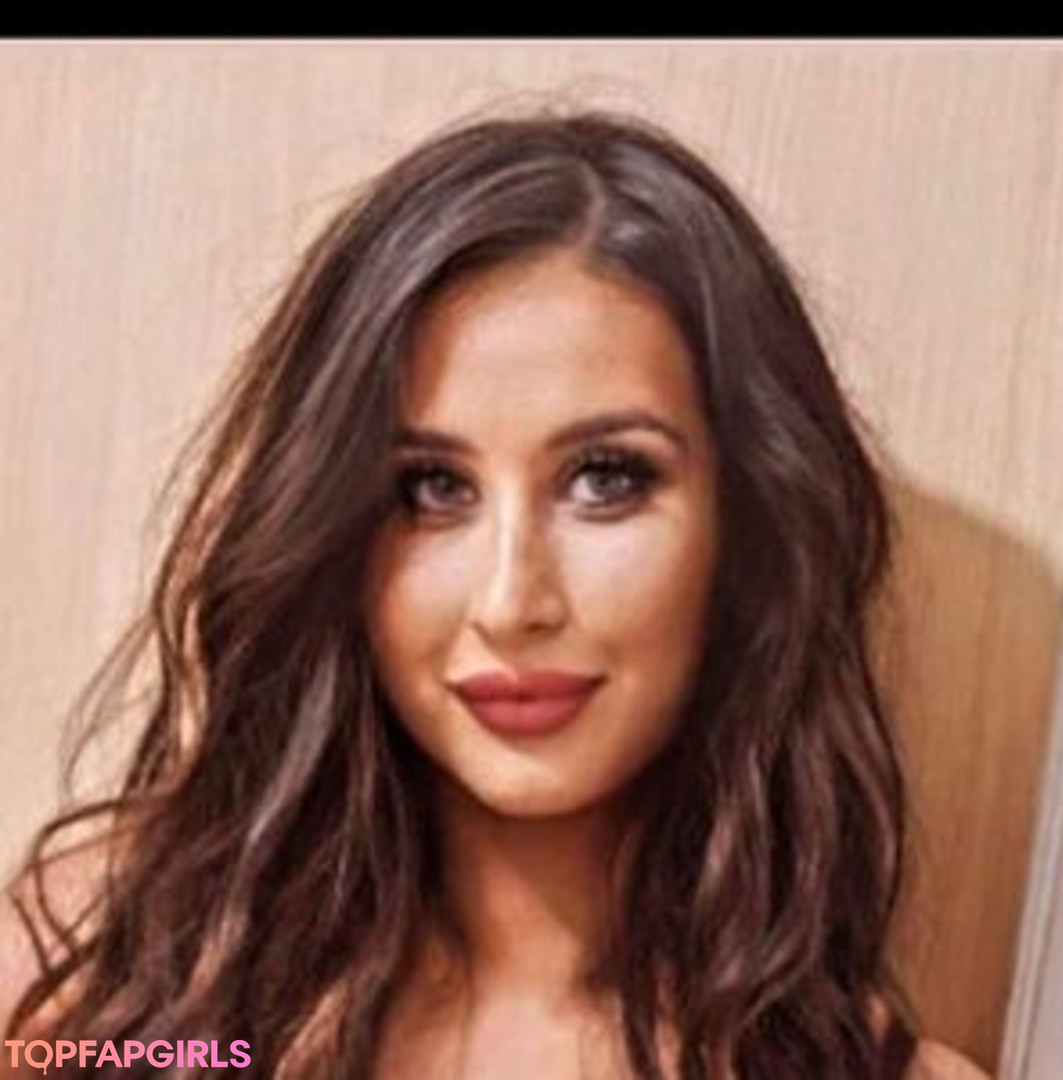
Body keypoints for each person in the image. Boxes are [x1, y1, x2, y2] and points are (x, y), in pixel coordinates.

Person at [0, 107, 994, 1079]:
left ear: (748, 528)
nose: (512, 603)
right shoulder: (123, 1002)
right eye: (432, 489)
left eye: (607, 478)